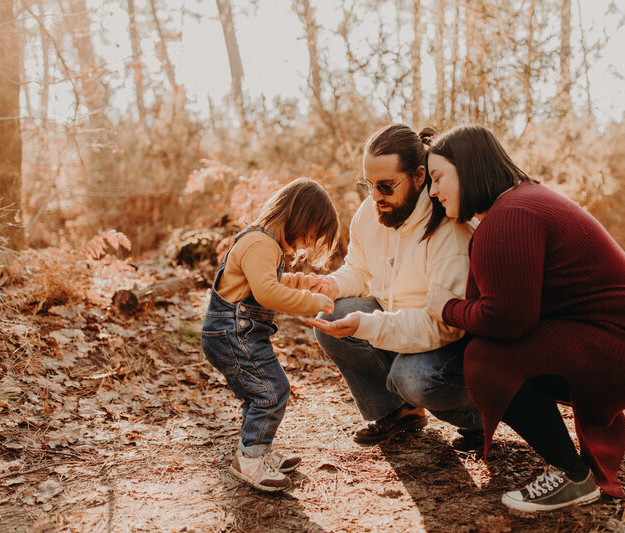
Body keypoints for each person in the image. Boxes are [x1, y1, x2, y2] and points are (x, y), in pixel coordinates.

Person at [425, 125, 625, 512]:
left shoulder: (509, 215)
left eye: (438, 177)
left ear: (470, 168)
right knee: (496, 351)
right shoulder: (523, 200)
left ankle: (571, 477)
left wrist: (445, 307)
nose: (433, 191)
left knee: (487, 359)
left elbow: (507, 319)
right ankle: (575, 463)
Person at [307, 124, 483, 448]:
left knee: (412, 377)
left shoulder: (448, 228)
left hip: (448, 343)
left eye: (386, 186)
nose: (375, 197)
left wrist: (367, 324)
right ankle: (400, 413)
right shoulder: (370, 211)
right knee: (330, 315)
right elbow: (358, 269)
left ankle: (478, 417)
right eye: (368, 185)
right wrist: (330, 285)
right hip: (396, 324)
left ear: (418, 176)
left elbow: (445, 327)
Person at [200, 177, 339, 492]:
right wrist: (312, 302)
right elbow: (266, 292)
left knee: (259, 392)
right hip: (232, 334)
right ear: (299, 218)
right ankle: (250, 458)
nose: (305, 244)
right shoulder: (261, 244)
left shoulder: (262, 243)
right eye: (311, 234)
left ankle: (258, 450)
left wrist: (305, 283)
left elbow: (270, 281)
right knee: (272, 391)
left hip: (236, 334)